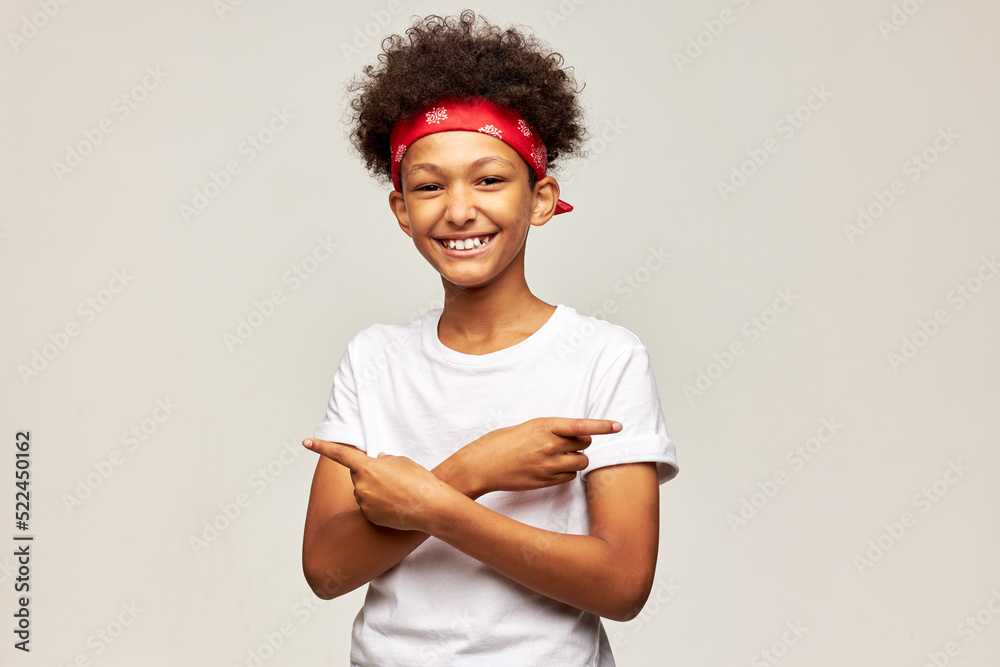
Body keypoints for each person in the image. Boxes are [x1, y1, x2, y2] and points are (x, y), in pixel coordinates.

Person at [301, 10, 678, 666]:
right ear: (402, 210)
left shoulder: (603, 358)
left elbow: (622, 585)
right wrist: (473, 470)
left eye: (489, 179)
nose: (458, 209)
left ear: (540, 198)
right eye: (428, 186)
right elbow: (327, 570)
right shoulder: (373, 360)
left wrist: (432, 503)